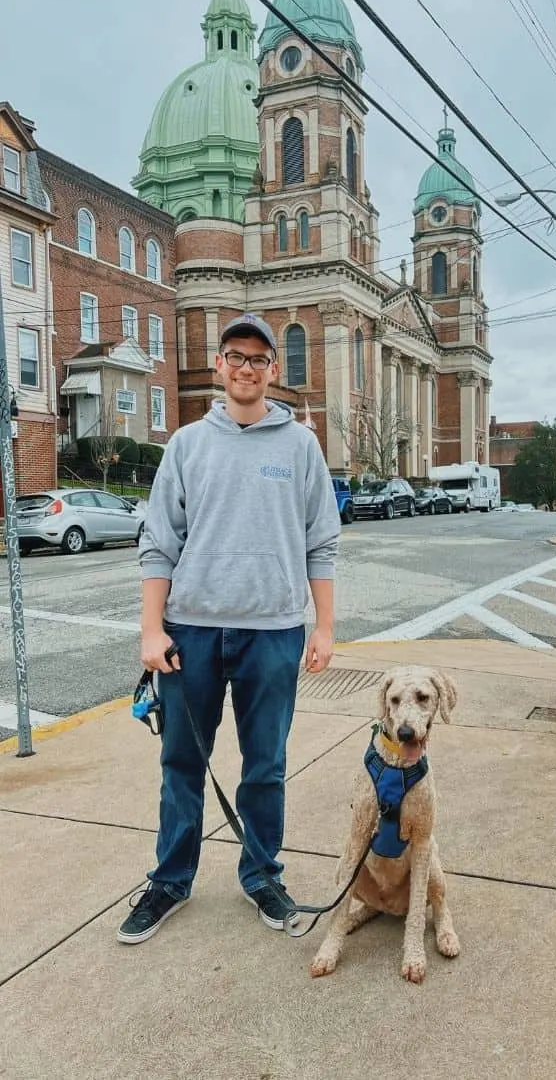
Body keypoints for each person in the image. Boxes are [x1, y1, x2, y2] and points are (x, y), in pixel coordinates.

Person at [117, 313, 341, 945]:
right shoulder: (188, 445)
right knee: (182, 762)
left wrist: (324, 627)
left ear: (274, 370)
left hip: (273, 632)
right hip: (191, 633)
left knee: (265, 765)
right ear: (220, 365)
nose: (246, 367)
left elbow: (320, 543)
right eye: (235, 356)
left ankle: (262, 874)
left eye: (258, 358)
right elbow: (159, 544)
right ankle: (169, 881)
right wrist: (151, 630)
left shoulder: (300, 446)